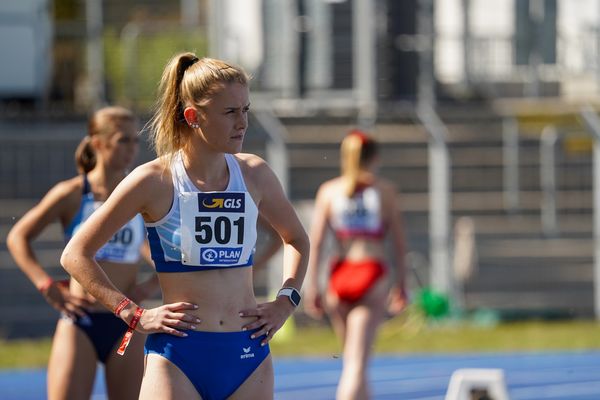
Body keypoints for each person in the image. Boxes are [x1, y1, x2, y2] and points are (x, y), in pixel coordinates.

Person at [60, 53, 309, 400]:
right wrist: (131, 313)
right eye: (230, 112)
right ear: (193, 116)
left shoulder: (255, 174)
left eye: (246, 110)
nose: (243, 123)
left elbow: (297, 239)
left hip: (247, 353)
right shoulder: (153, 180)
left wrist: (286, 301)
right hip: (178, 357)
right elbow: (75, 254)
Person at [7, 106, 159, 400]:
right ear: (98, 143)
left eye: (135, 140)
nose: (131, 149)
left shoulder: (141, 194)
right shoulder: (72, 193)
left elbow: (162, 253)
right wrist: (46, 284)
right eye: (122, 140)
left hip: (126, 322)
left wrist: (151, 285)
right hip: (81, 321)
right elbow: (18, 237)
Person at [304, 129, 408, 400]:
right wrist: (402, 285)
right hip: (371, 271)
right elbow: (398, 243)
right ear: (374, 158)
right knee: (356, 365)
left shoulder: (329, 190)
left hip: (339, 275)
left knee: (354, 359)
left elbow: (315, 243)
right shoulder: (384, 190)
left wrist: (313, 286)